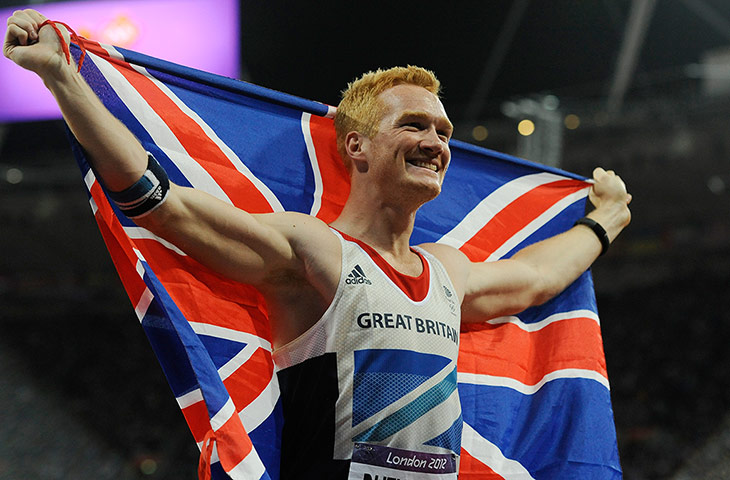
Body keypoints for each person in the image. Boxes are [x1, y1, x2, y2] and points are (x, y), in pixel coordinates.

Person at [4, 9, 631, 479]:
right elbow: (167, 207)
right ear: (355, 146)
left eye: (443, 130)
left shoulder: (447, 271)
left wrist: (601, 222)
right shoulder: (319, 254)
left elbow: (536, 280)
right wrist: (64, 79)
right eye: (413, 124)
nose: (438, 141)